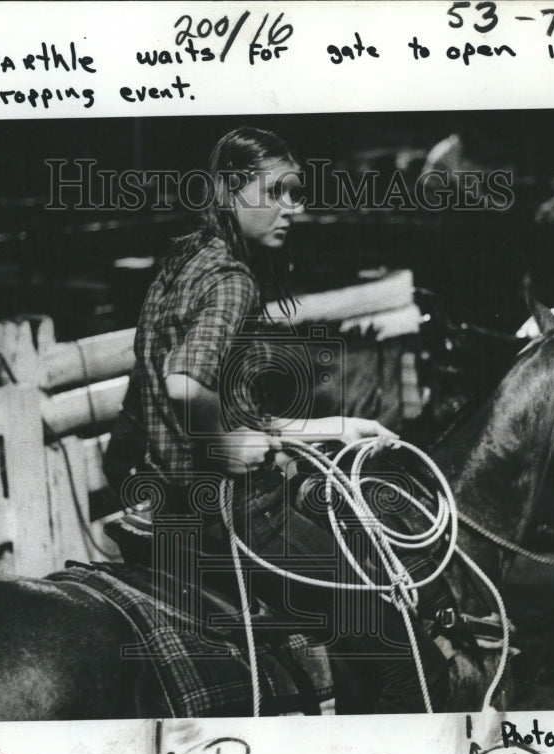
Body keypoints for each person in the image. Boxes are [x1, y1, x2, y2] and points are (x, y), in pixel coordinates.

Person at [122, 126, 448, 714]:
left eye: (295, 192)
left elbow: (188, 395)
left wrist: (333, 427)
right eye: (275, 192)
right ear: (228, 191)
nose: (293, 208)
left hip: (167, 508)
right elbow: (183, 379)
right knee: (412, 663)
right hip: (238, 515)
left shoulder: (182, 260)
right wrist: (220, 442)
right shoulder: (232, 280)